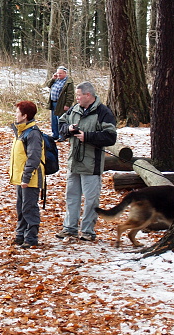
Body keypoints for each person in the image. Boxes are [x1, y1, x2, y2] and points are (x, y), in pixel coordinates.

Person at [56, 81, 117, 241]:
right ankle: (69, 228)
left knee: (91, 199)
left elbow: (111, 136)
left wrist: (88, 136)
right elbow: (61, 123)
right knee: (71, 196)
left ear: (88, 95)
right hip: (74, 161)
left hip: (92, 164)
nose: (76, 98)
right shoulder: (74, 110)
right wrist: (67, 130)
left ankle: (88, 231)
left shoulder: (103, 112)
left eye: (78, 95)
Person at [9, 101, 45, 249]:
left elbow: (34, 158)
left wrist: (26, 177)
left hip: (30, 178)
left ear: (25, 116)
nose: (15, 115)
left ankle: (31, 237)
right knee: (21, 207)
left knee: (29, 207)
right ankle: (21, 234)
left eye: (18, 112)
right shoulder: (22, 131)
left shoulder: (33, 134)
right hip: (21, 178)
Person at [46, 66, 74, 140]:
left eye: (60, 73)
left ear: (65, 73)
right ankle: (55, 134)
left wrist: (67, 104)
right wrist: (53, 78)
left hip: (61, 104)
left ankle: (62, 136)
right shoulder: (56, 79)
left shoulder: (68, 82)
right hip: (53, 102)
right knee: (54, 120)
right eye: (57, 73)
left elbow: (70, 94)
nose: (58, 75)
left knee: (61, 120)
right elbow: (48, 85)